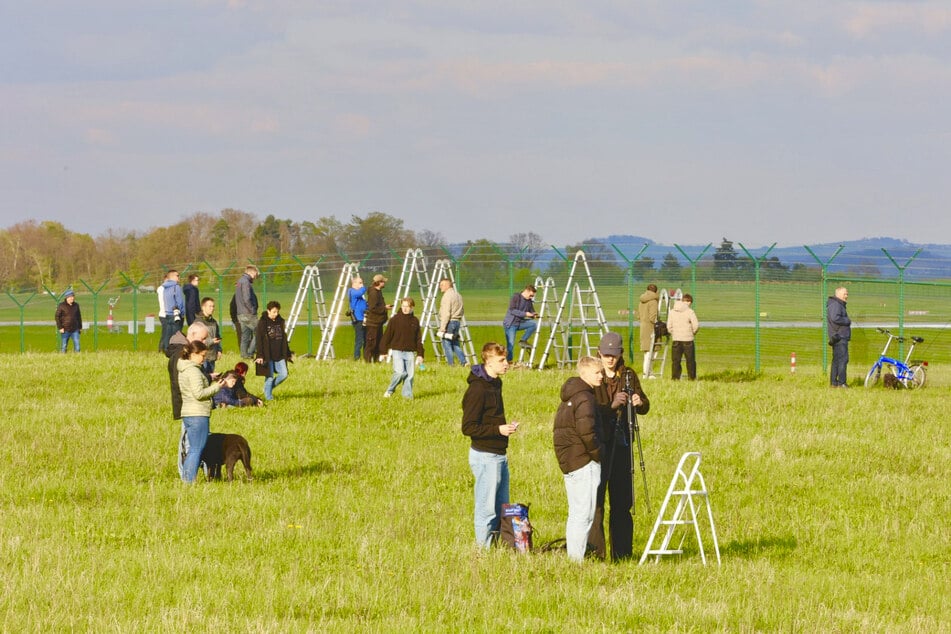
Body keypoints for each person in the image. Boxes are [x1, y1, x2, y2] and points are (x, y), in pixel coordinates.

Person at [591, 332, 650, 561]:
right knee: (595, 503)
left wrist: (639, 402)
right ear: (599, 353)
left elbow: (645, 404)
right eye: (606, 354)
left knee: (622, 502)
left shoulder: (628, 375)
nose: (609, 359)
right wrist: (612, 406)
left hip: (622, 443)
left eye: (613, 355)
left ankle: (622, 554)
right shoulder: (593, 374)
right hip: (598, 445)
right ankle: (595, 553)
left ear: (620, 354)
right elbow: (590, 409)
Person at [462, 342, 517, 549]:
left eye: (506, 359)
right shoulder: (477, 389)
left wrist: (504, 428)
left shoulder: (496, 383)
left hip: (499, 453)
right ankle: (482, 552)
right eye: (502, 360)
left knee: (501, 506)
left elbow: (491, 417)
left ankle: (497, 546)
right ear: (488, 361)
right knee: (486, 509)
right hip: (485, 456)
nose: (506, 364)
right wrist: (498, 430)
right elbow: (468, 427)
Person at [553, 356, 604, 562]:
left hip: (570, 462)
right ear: (584, 374)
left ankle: (574, 558)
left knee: (576, 513)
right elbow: (587, 432)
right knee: (584, 515)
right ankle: (576, 560)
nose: (601, 376)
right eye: (596, 372)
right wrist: (598, 454)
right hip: (584, 462)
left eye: (601, 372)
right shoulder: (585, 398)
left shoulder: (570, 397)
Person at [177, 340, 235, 483]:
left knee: (193, 449)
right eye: (202, 355)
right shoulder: (193, 371)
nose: (204, 359)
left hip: (188, 412)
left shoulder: (184, 368)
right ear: (193, 354)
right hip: (198, 414)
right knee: (197, 449)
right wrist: (217, 387)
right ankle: (189, 481)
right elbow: (199, 393)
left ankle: (186, 479)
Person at [166, 322, 210, 478]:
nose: (204, 342)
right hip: (190, 406)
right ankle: (185, 477)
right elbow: (183, 383)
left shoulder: (186, 353)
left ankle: (191, 475)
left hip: (192, 406)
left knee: (193, 444)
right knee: (189, 444)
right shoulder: (181, 355)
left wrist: (207, 377)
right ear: (192, 335)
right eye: (202, 338)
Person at [380, 297, 426, 398]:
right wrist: (383, 351)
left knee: (409, 375)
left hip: (409, 352)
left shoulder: (415, 321)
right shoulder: (395, 320)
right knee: (400, 372)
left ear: (412, 307)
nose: (405, 308)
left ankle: (407, 396)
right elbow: (387, 336)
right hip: (397, 351)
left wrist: (420, 354)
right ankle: (390, 390)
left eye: (407, 307)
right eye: (403, 306)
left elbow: (418, 339)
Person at [254, 300, 292, 401]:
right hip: (268, 355)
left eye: (277, 312)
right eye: (274, 312)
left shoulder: (280, 322)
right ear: (268, 311)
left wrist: (288, 353)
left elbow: (284, 339)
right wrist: (260, 355)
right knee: (269, 377)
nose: (276, 314)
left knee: (284, 374)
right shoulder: (262, 322)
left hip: (279, 354)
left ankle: (267, 389)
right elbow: (259, 340)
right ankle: (269, 398)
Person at [502, 284, 538, 362]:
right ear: (527, 291)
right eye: (531, 295)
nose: (531, 297)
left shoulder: (529, 301)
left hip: (520, 322)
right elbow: (512, 310)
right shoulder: (516, 297)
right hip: (511, 324)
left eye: (532, 296)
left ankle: (523, 340)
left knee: (533, 324)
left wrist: (534, 315)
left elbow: (531, 311)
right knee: (510, 344)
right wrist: (525, 314)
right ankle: (508, 361)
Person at [668, 293, 699, 380]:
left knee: (676, 361)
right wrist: (692, 333)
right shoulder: (690, 311)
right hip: (688, 339)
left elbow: (669, 326)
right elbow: (696, 325)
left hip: (676, 339)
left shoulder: (672, 312)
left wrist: (674, 333)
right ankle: (691, 378)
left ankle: (675, 378)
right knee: (690, 360)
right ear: (689, 302)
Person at [437, 278, 467, 366]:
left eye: (442, 285)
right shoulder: (458, 295)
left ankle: (451, 364)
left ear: (448, 285)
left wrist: (442, 327)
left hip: (449, 322)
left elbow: (446, 313)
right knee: (455, 343)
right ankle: (464, 361)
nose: (440, 287)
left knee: (447, 344)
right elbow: (462, 310)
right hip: (457, 321)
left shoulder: (447, 296)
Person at [363, 274, 391, 363]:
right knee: (371, 343)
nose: (384, 283)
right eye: (383, 282)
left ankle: (376, 360)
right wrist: (384, 308)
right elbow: (373, 308)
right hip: (373, 323)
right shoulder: (374, 293)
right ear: (379, 282)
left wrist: (384, 307)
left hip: (378, 322)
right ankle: (368, 361)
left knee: (378, 342)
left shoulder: (378, 291)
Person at [827, 287, 852, 388]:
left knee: (837, 360)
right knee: (843, 360)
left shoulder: (835, 304)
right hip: (840, 336)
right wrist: (847, 321)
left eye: (847, 294)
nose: (846, 296)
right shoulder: (836, 304)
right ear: (838, 294)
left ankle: (834, 383)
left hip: (837, 336)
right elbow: (835, 318)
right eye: (845, 294)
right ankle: (842, 383)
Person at [234, 265, 259, 359]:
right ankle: (250, 353)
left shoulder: (240, 281)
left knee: (245, 336)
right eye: (256, 274)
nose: (256, 277)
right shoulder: (246, 282)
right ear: (252, 272)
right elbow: (247, 298)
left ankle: (244, 355)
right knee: (260, 332)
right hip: (248, 314)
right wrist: (252, 310)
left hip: (240, 313)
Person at [157, 270, 185, 353]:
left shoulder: (164, 288)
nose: (179, 277)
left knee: (168, 334)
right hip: (176, 314)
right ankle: (175, 351)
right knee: (176, 334)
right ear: (172, 277)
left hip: (167, 314)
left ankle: (166, 350)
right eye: (177, 275)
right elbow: (179, 302)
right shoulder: (176, 287)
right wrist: (182, 313)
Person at [193, 297, 222, 375]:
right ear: (203, 307)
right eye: (210, 306)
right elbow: (196, 342)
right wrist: (211, 341)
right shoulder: (198, 322)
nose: (212, 308)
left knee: (210, 379)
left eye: (213, 306)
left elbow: (217, 336)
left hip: (212, 357)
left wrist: (219, 350)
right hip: (203, 357)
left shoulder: (214, 322)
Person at [638, 284, 659, 378]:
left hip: (643, 327)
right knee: (652, 351)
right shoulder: (653, 301)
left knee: (647, 351)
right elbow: (652, 317)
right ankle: (648, 373)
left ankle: (646, 372)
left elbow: (638, 315)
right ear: (656, 291)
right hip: (651, 328)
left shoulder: (641, 300)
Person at [54, 289, 82, 353]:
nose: (72, 298)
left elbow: (79, 317)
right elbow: (57, 317)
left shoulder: (76, 305)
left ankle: (78, 356)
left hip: (75, 329)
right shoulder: (61, 306)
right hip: (65, 329)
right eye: (71, 297)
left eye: (73, 296)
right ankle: (63, 356)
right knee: (64, 346)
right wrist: (60, 327)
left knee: (77, 346)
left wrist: (80, 327)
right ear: (67, 297)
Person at [347, 276, 368, 360]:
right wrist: (363, 287)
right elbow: (360, 293)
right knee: (359, 339)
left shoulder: (359, 295)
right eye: (360, 283)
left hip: (363, 318)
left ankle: (365, 356)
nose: (361, 284)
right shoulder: (352, 291)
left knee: (365, 338)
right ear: (354, 283)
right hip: (358, 319)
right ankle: (356, 357)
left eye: (362, 283)